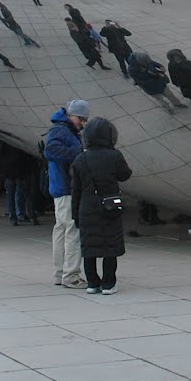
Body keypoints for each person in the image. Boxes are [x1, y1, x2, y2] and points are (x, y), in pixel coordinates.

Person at [69, 117, 131, 294]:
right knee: (109, 247)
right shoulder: (114, 156)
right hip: (109, 206)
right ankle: (108, 284)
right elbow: (124, 175)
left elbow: (76, 191)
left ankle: (92, 283)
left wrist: (75, 214)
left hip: (87, 207)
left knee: (89, 248)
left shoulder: (81, 159)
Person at [45, 100, 89, 289]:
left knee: (61, 229)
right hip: (65, 187)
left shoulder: (62, 128)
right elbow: (51, 151)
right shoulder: (61, 130)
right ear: (72, 116)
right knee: (72, 229)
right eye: (81, 118)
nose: (83, 123)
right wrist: (78, 151)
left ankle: (60, 273)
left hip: (60, 186)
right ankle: (71, 275)